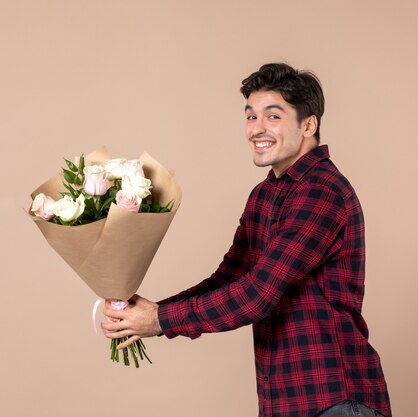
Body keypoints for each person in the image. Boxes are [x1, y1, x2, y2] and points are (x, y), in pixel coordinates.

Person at [102, 63, 392, 417]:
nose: (257, 129)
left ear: (308, 125)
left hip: (335, 400)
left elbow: (259, 293)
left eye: (273, 116)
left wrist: (161, 319)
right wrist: (148, 313)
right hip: (286, 401)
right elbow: (231, 278)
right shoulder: (264, 195)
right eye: (251, 117)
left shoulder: (321, 190)